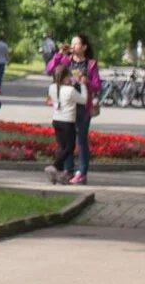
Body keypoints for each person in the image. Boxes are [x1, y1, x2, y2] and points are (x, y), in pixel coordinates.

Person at [43, 34, 102, 183]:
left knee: (81, 140)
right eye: (72, 43)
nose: (73, 46)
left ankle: (81, 172)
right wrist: (59, 54)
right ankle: (68, 171)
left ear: (84, 47)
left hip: (82, 107)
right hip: (67, 108)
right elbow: (50, 70)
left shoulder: (90, 64)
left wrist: (85, 82)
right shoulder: (66, 60)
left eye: (76, 44)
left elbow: (97, 85)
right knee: (67, 141)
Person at [47, 65, 86, 185]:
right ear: (64, 78)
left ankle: (57, 173)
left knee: (61, 147)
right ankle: (54, 167)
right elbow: (83, 100)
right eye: (68, 76)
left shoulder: (52, 87)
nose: (70, 78)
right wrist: (83, 85)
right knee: (69, 147)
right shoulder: (70, 90)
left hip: (56, 121)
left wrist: (72, 82)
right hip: (67, 122)